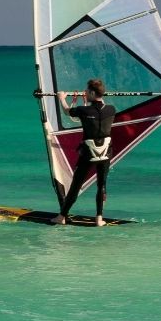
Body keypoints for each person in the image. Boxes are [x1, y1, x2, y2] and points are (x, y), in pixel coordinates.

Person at [54, 78, 116, 227]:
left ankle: (62, 216)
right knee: (101, 185)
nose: (85, 93)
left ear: (93, 93)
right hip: (106, 153)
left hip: (89, 154)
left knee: (75, 186)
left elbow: (67, 111)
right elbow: (98, 112)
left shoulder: (84, 110)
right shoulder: (111, 109)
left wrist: (62, 99)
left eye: (87, 91)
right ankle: (99, 219)